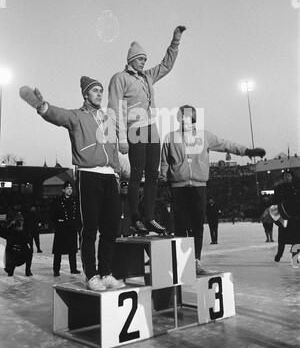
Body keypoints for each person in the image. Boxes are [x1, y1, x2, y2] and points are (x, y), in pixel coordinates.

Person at [19, 77, 125, 291]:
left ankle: (106, 272)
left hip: (109, 176)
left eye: (100, 91)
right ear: (86, 94)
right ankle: (92, 275)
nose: (99, 94)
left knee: (111, 227)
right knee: (90, 228)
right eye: (95, 91)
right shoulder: (77, 116)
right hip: (89, 175)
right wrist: (43, 107)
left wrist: (118, 169)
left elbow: (113, 146)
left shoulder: (107, 119)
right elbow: (58, 115)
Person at [160, 104, 266, 275]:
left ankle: (195, 261)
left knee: (197, 225)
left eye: (189, 115)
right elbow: (164, 161)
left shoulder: (204, 136)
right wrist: (163, 179)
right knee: (180, 225)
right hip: (178, 186)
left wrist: (247, 151)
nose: (186, 118)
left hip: (199, 186)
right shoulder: (170, 137)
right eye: (183, 115)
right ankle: (181, 262)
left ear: (194, 118)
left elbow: (225, 144)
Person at [108, 26, 186, 235]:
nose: (144, 62)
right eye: (140, 59)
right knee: (137, 172)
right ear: (131, 59)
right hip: (135, 128)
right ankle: (134, 217)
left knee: (153, 173)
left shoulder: (148, 76)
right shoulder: (119, 78)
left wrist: (175, 42)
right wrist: (120, 138)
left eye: (145, 59)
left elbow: (166, 65)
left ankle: (149, 217)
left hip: (151, 127)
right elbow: (114, 108)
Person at [50, 181, 82, 276]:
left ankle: (73, 269)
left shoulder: (74, 200)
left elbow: (77, 214)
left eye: (71, 189)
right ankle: (56, 270)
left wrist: (77, 225)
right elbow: (52, 213)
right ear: (63, 190)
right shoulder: (58, 200)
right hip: (61, 229)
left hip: (71, 228)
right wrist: (57, 222)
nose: (69, 190)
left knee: (72, 250)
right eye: (67, 189)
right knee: (58, 251)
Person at [270, 170, 300, 262]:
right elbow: (274, 203)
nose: (287, 177)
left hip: (296, 218)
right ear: (283, 178)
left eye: (289, 176)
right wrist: (276, 218)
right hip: (284, 217)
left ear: (291, 177)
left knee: (297, 240)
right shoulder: (279, 188)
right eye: (286, 176)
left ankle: (295, 258)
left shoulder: (297, 188)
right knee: (282, 239)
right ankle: (279, 255)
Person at [0, 210, 33, 277]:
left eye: (21, 220)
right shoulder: (10, 230)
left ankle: (27, 270)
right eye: (19, 220)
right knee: (11, 254)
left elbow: (30, 241)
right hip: (13, 256)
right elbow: (2, 232)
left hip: (22, 254)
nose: (20, 222)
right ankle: (10, 270)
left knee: (29, 252)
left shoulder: (25, 230)